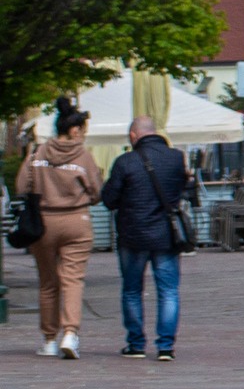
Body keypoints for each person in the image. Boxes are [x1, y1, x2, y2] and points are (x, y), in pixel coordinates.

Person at [15, 102, 101, 358]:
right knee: (72, 280)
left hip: (43, 223)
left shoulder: (38, 152)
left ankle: (50, 338)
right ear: (74, 130)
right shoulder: (83, 156)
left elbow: (21, 186)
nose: (84, 134)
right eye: (83, 130)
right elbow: (96, 192)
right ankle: (71, 334)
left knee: (48, 283)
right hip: (77, 221)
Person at [98, 116, 189, 359]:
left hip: (132, 235)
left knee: (131, 290)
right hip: (166, 235)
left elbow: (109, 200)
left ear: (133, 136)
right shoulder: (176, 158)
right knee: (168, 290)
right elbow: (182, 191)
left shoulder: (125, 162)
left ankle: (136, 344)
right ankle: (166, 346)